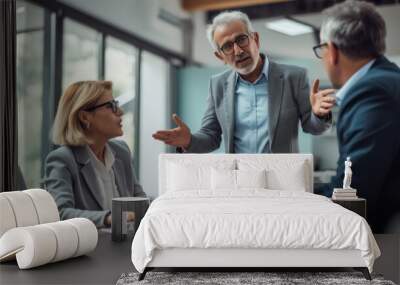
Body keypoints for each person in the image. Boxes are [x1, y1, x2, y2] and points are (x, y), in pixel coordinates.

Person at [153, 11, 335, 153]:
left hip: (284, 180)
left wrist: (319, 114)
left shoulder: (294, 77)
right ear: (220, 56)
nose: (238, 50)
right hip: (238, 182)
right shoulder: (217, 85)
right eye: (227, 46)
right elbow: (211, 136)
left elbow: (312, 127)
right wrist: (189, 140)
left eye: (241, 39)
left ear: (255, 39)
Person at [314, 0, 400, 233]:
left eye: (321, 50)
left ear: (331, 51)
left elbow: (352, 190)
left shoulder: (372, 91)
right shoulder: (389, 79)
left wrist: (304, 207)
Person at [44, 81, 146, 228]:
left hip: (127, 243)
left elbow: (139, 200)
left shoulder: (122, 151)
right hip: (91, 248)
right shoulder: (63, 159)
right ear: (85, 117)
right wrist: (109, 218)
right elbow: (61, 213)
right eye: (111, 106)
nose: (120, 112)